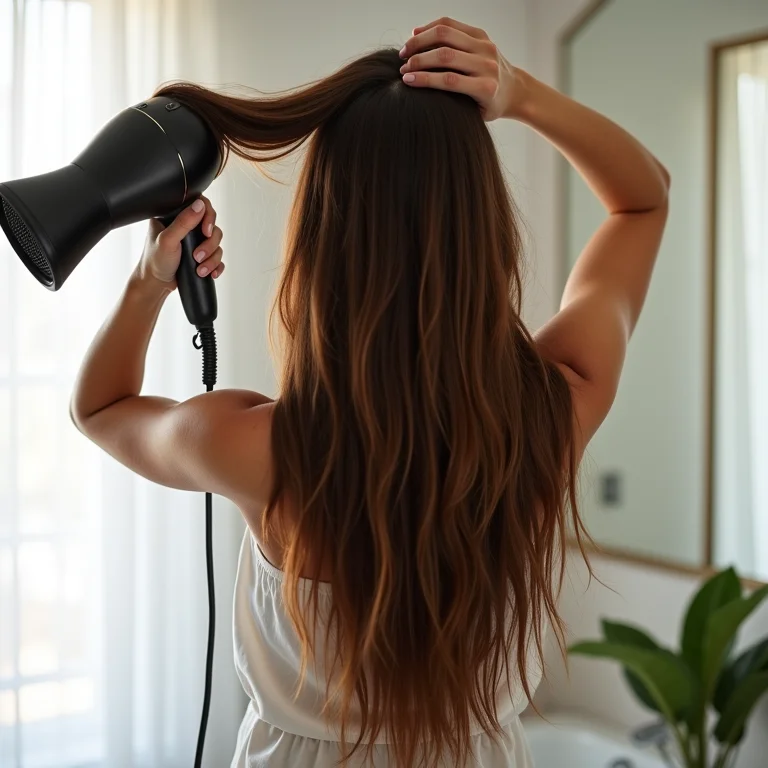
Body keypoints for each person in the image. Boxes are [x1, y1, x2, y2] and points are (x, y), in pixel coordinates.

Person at [70, 16, 669, 768]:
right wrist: (519, 94)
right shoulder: (556, 411)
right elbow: (643, 198)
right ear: (485, 235)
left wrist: (152, 278)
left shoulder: (258, 448)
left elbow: (98, 408)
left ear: (322, 240)